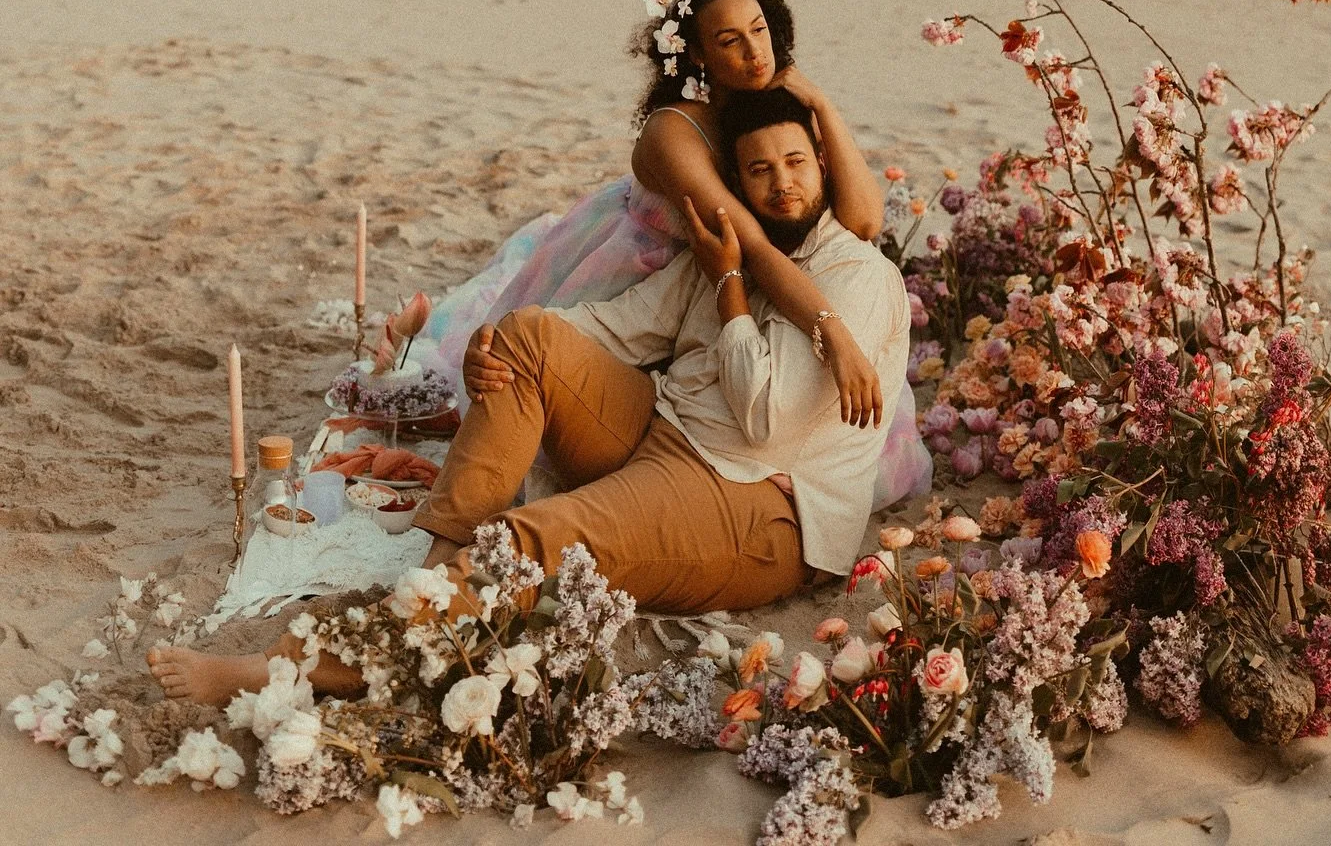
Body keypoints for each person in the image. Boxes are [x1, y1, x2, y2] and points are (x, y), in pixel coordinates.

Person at [148, 87, 909, 706]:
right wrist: (503, 342)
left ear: (823, 166)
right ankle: (439, 567)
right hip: (669, 435)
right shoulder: (731, 246)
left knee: (523, 545)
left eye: (796, 163)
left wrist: (734, 288)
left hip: (759, 503)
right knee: (526, 339)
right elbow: (618, 327)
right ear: (735, 184)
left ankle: (313, 666)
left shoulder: (855, 278)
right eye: (759, 170)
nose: (782, 183)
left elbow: (765, 419)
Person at [410, 0, 930, 507]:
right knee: (563, 398)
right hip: (646, 267)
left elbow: (864, 221)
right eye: (730, 40)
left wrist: (821, 104)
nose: (756, 52)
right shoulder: (673, 131)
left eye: (760, 31)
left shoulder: (773, 116)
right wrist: (836, 336)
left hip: (733, 280)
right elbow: (749, 245)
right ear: (699, 55)